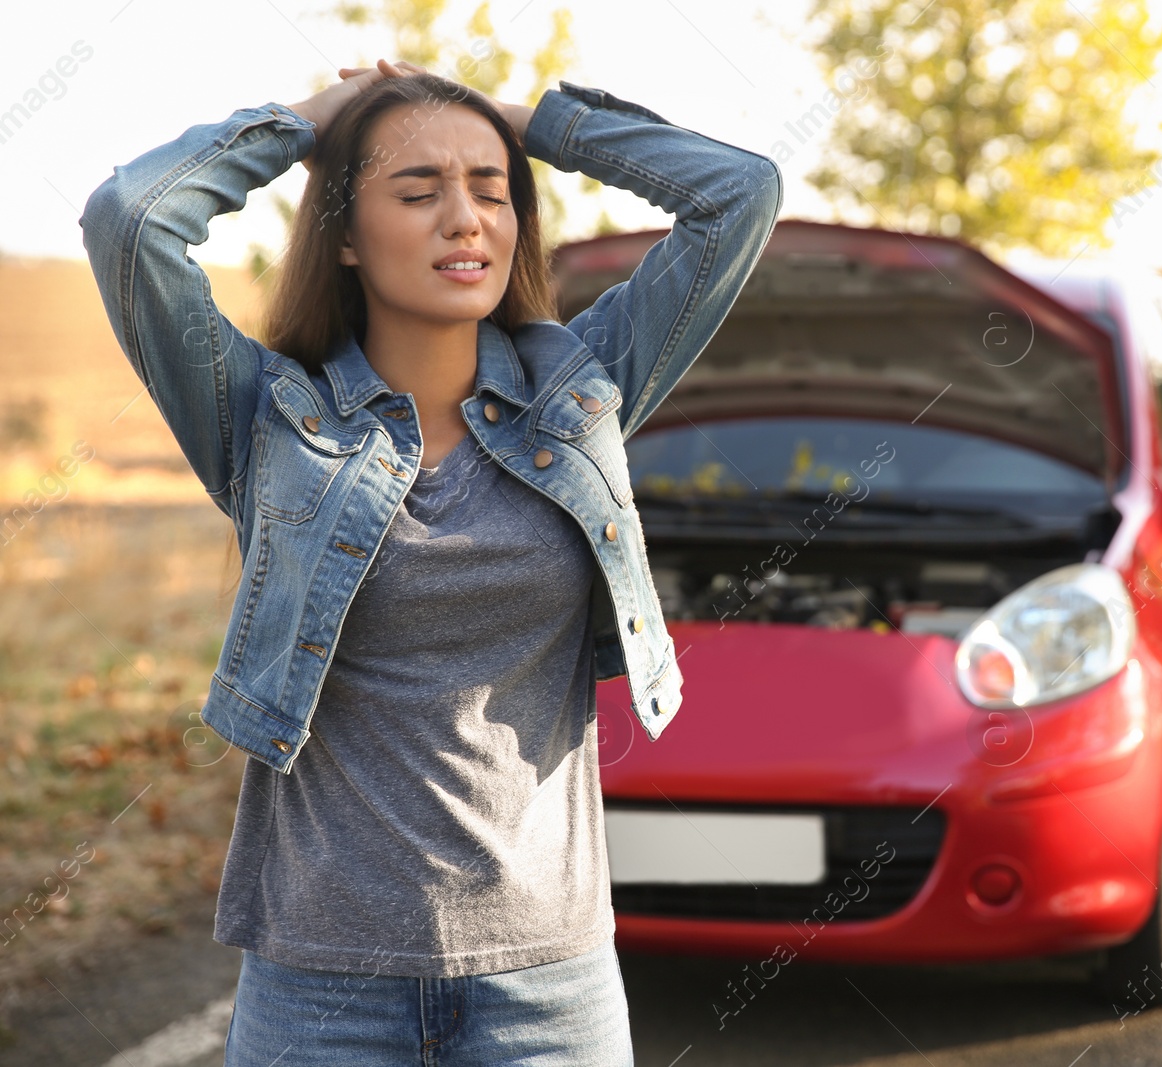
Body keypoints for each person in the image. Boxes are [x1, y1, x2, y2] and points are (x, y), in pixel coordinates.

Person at [78, 58, 783, 1065]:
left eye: (489, 192)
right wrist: (311, 123)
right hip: (319, 984)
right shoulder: (271, 419)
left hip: (549, 985)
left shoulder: (582, 395)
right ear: (348, 237)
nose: (466, 218)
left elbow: (737, 194)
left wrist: (511, 119)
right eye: (417, 190)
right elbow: (132, 219)